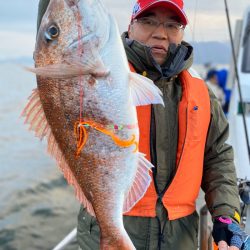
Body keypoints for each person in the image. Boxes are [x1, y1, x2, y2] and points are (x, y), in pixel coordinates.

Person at [37, 0, 249, 249]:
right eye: (148, 21)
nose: (160, 33)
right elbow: (52, 51)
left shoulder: (202, 93)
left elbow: (217, 157)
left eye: (173, 24)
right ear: (131, 24)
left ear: (182, 32)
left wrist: (226, 215)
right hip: (105, 234)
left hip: (180, 240)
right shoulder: (101, 67)